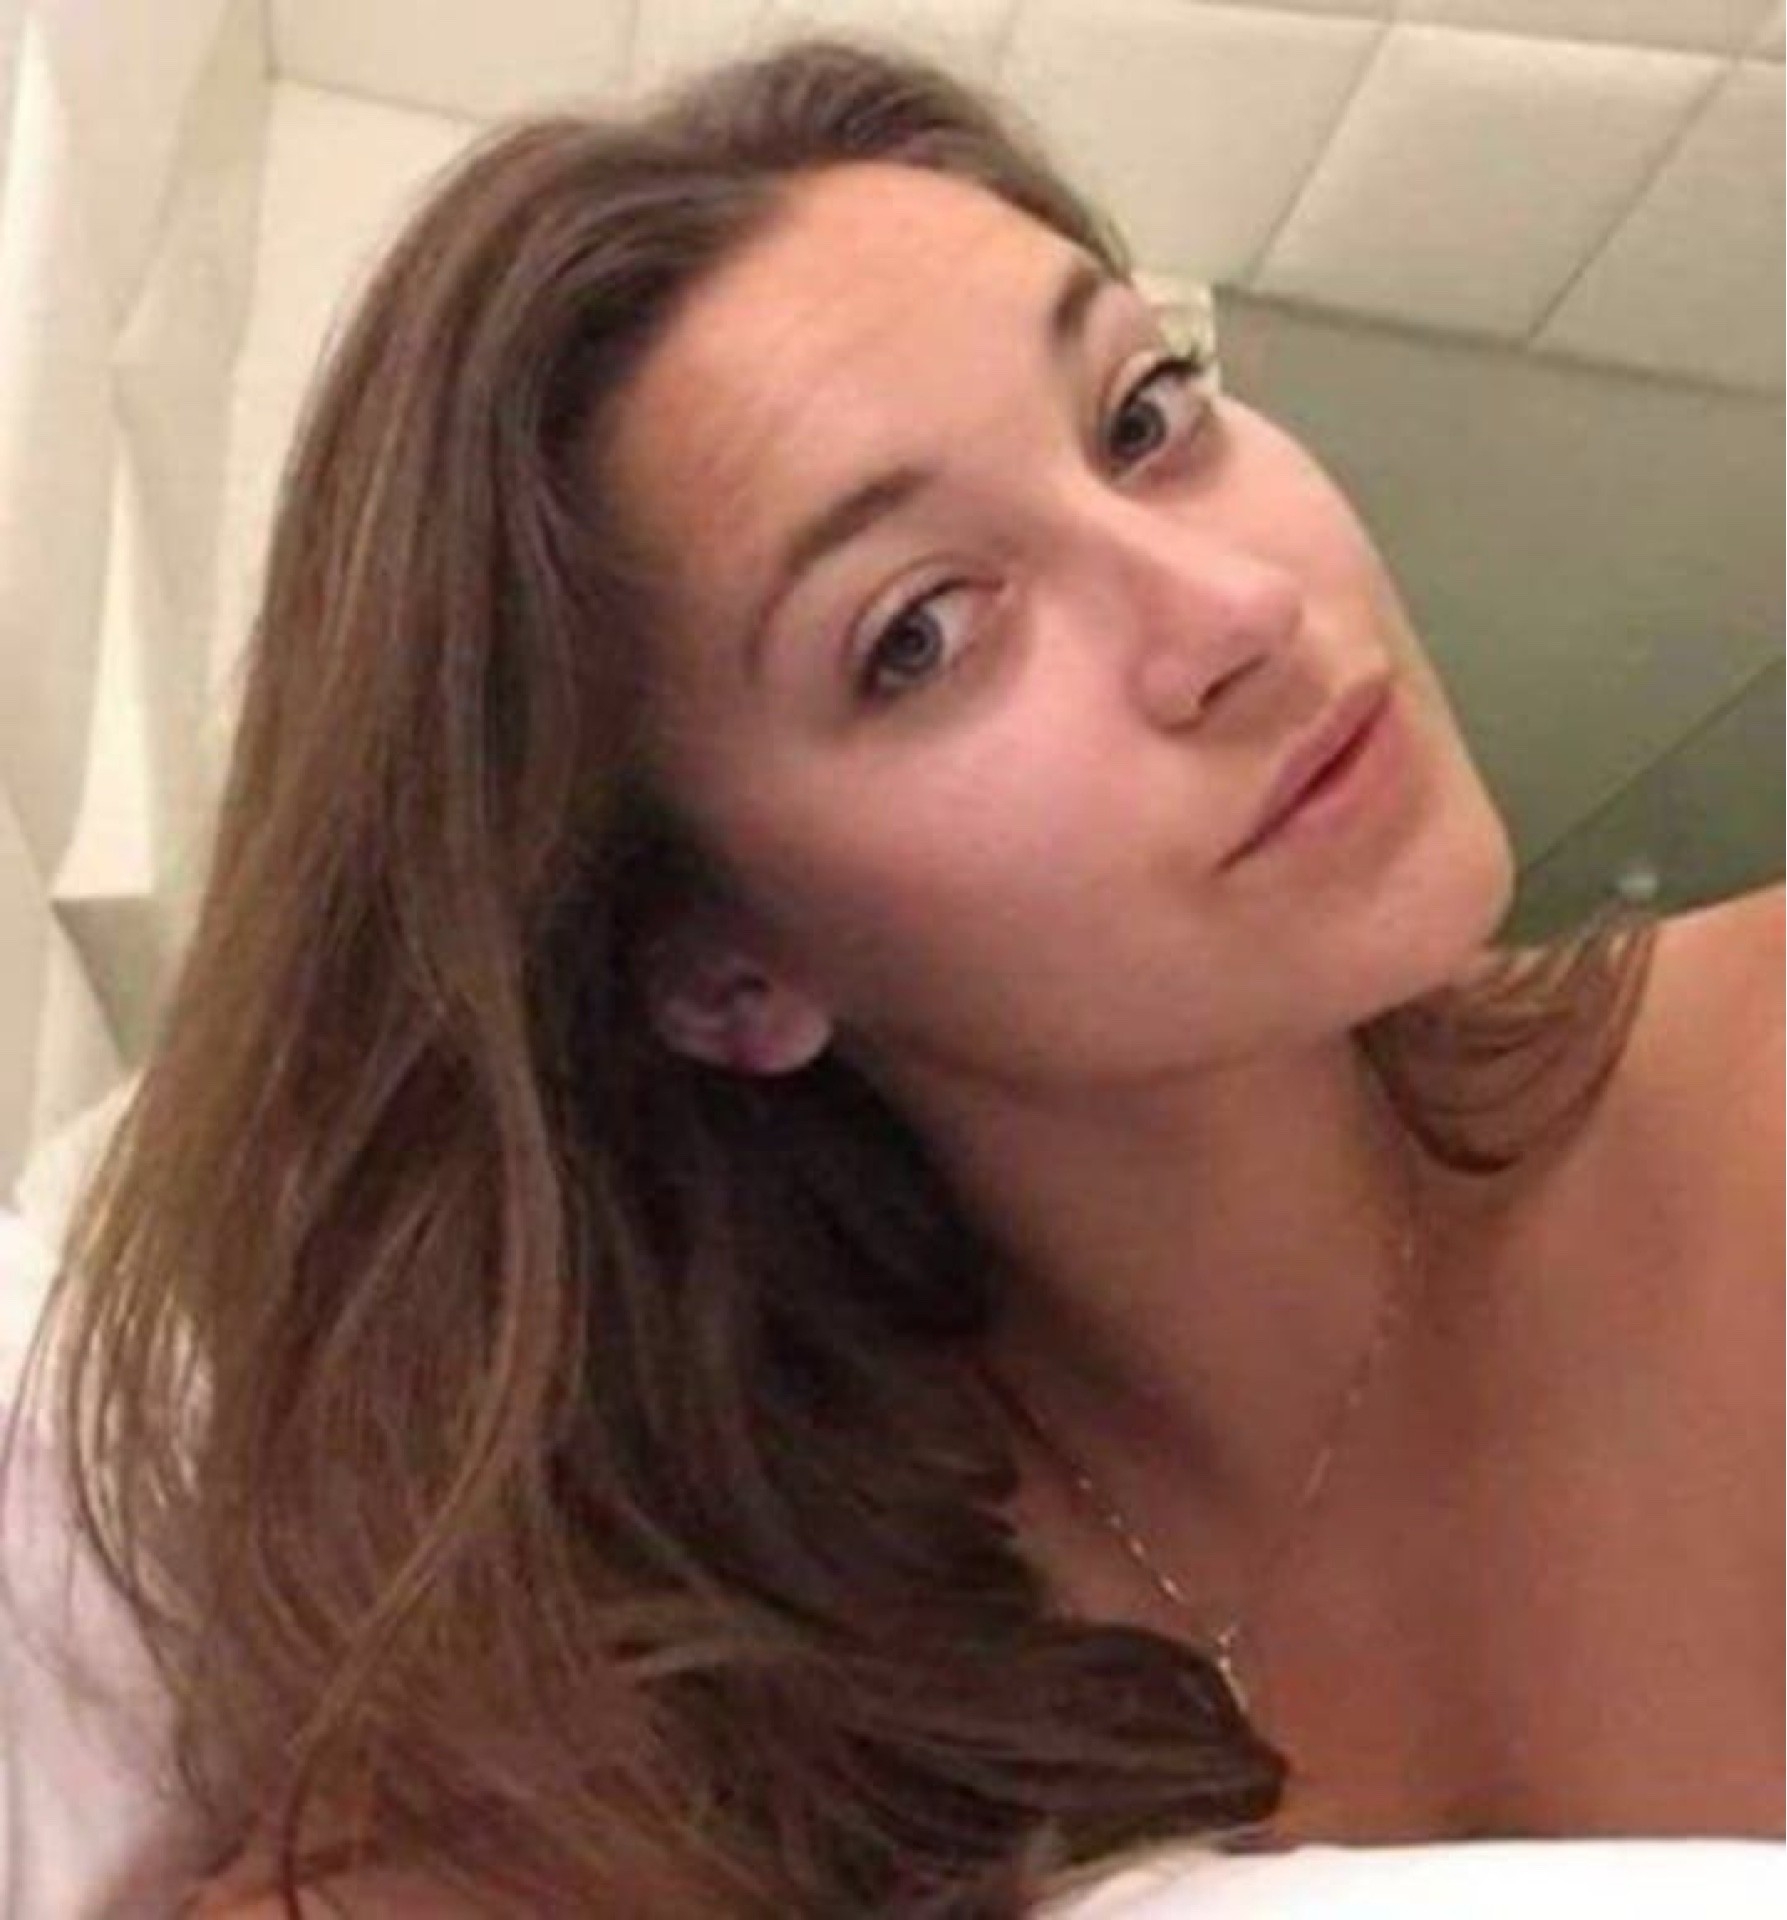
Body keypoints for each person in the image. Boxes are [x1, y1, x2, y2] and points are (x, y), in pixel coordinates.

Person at [8, 32, 1778, 1920]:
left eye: (1144, 418)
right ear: (721, 972)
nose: (1239, 613)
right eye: (920, 633)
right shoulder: (728, 1637)